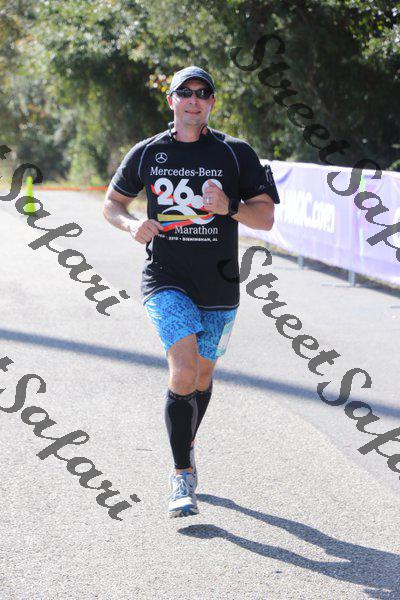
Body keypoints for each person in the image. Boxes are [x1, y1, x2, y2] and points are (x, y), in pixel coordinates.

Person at [103, 65, 280, 518]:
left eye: (203, 93)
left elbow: (265, 218)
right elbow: (112, 204)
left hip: (220, 283)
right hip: (165, 277)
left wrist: (229, 206)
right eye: (186, 92)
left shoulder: (236, 153)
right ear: (172, 101)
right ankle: (182, 476)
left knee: (201, 376)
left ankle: (187, 440)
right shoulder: (149, 152)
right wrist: (131, 225)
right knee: (183, 372)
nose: (194, 100)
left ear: (212, 102)